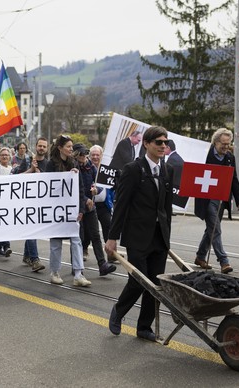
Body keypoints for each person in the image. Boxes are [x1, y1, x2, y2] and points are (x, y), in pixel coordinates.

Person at [106, 126, 174, 342]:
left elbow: (166, 207)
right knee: (139, 281)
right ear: (146, 144)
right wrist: (112, 237)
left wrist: (167, 237)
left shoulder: (166, 170)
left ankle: (144, 327)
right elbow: (121, 204)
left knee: (156, 285)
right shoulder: (133, 169)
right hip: (137, 236)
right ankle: (118, 311)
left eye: (165, 142)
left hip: (158, 236)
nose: (163, 146)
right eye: (158, 142)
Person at [194, 128, 239, 274]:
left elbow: (233, 179)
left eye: (228, 144)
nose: (226, 147)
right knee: (215, 228)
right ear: (215, 142)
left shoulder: (229, 157)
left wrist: (238, 199)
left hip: (221, 199)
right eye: (223, 144)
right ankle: (224, 261)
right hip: (206, 199)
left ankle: (200, 256)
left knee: (212, 228)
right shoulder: (205, 154)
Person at [46, 135, 91, 287]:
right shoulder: (51, 164)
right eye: (68, 146)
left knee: (76, 240)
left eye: (72, 146)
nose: (71, 149)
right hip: (56, 209)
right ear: (60, 148)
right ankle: (55, 272)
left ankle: (78, 274)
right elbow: (48, 187)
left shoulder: (74, 163)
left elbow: (80, 188)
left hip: (71, 209)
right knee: (56, 241)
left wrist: (81, 209)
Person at [74, 144, 116, 276]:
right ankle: (77, 266)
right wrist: (86, 199)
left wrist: (96, 190)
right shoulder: (73, 168)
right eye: (80, 154)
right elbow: (74, 188)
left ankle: (102, 264)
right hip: (78, 207)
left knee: (96, 236)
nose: (83, 157)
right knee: (79, 237)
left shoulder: (91, 167)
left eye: (84, 153)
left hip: (91, 208)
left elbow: (100, 184)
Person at [16, 137, 48, 272]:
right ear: (35, 147)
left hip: (40, 202)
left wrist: (39, 174)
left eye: (44, 147)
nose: (41, 148)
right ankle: (35, 260)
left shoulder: (49, 164)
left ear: (47, 149)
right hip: (27, 201)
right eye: (39, 146)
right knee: (31, 229)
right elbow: (17, 178)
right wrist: (31, 170)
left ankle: (26, 255)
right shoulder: (27, 161)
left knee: (32, 230)